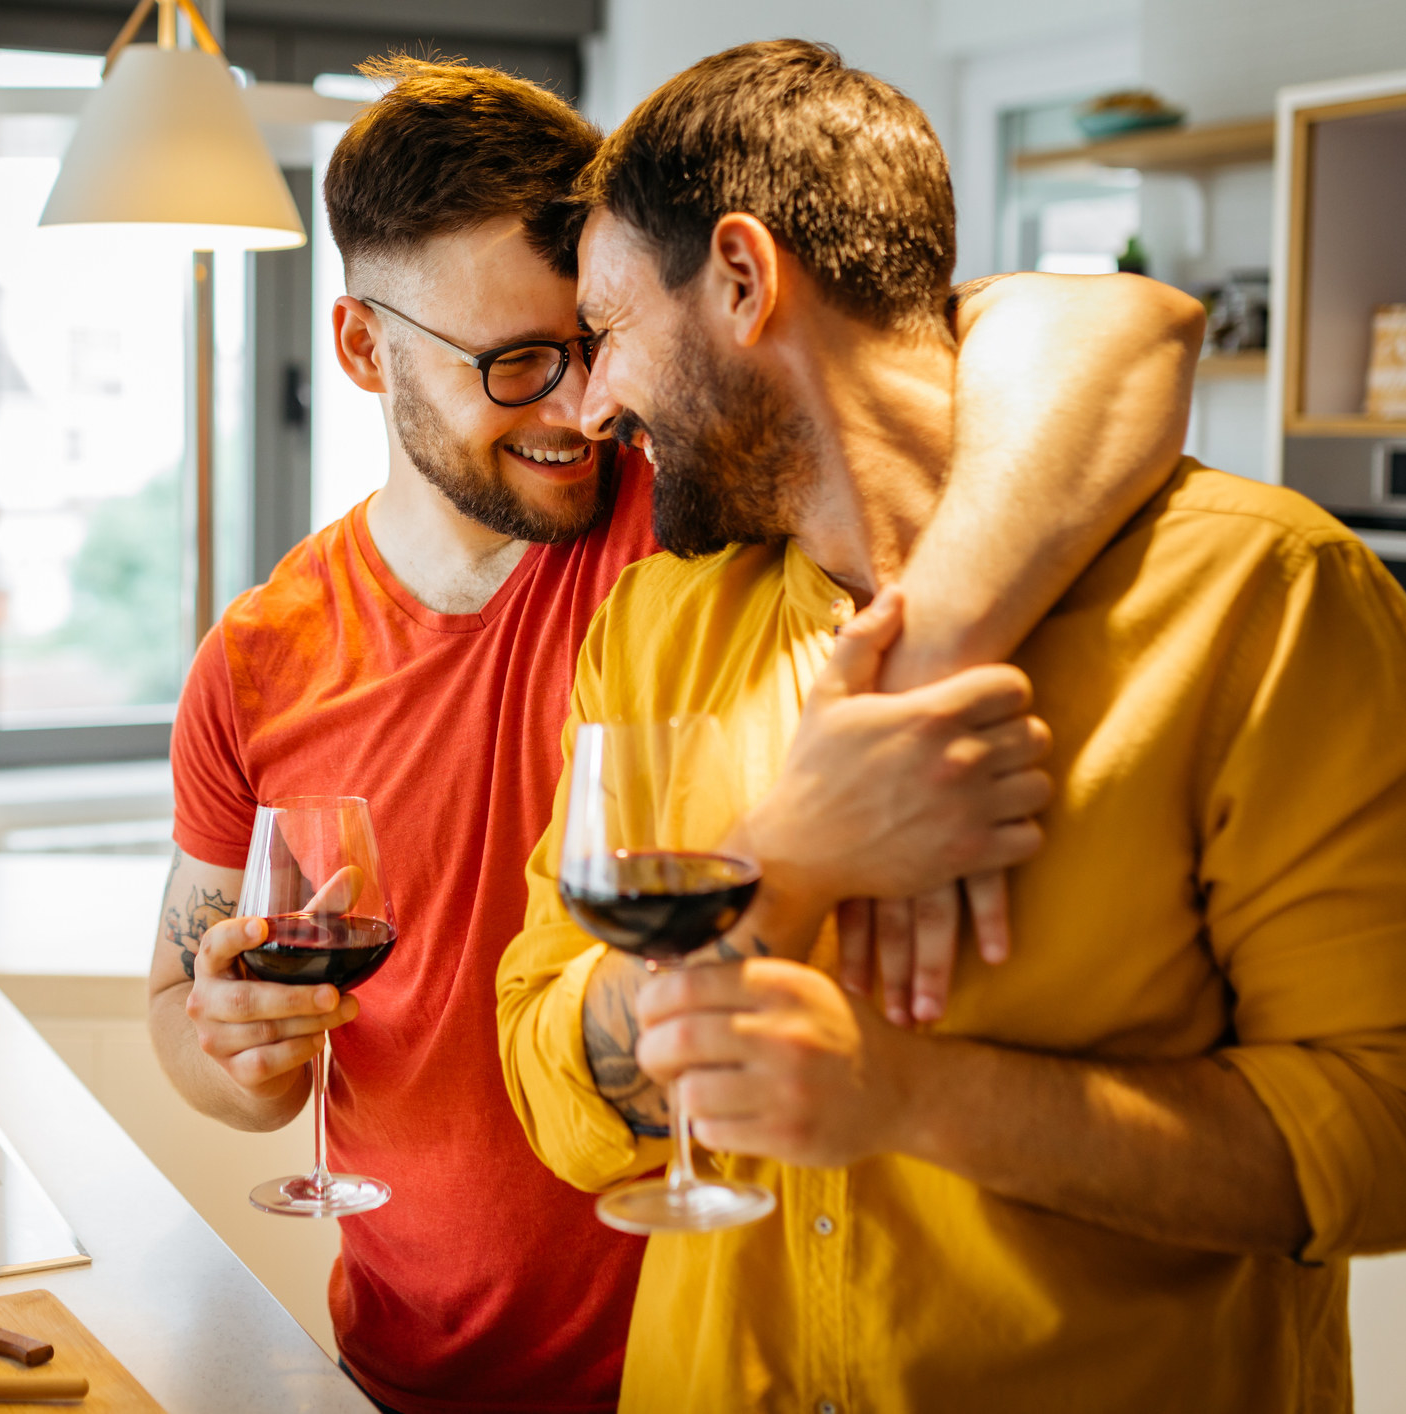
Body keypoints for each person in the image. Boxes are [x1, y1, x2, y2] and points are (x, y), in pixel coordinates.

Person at [153, 57, 1204, 1414]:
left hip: (701, 1361)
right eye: (515, 361)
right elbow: (182, 1008)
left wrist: (929, 648)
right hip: (397, 1367)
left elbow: (1116, 329)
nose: (577, 407)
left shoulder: (689, 522)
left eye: (589, 342)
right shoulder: (256, 655)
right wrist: (235, 1052)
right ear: (363, 348)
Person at [497, 38, 1406, 1412]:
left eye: (609, 329)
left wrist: (913, 1096)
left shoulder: (1265, 595)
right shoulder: (651, 631)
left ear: (743, 277)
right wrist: (782, 864)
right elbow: (546, 1085)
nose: (593, 402)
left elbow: (1379, 1136)